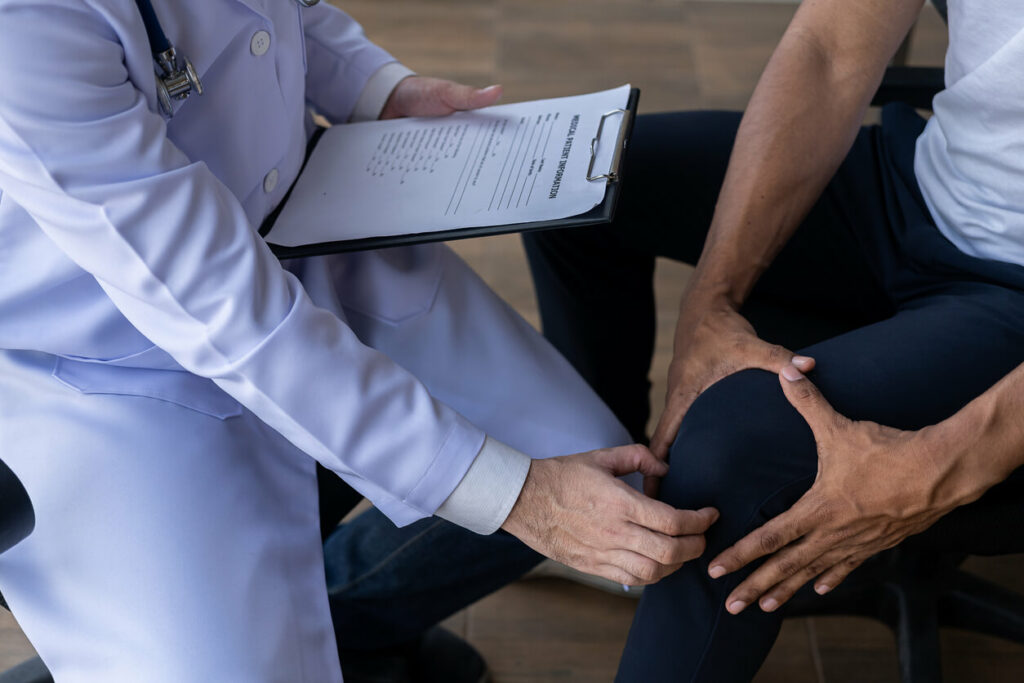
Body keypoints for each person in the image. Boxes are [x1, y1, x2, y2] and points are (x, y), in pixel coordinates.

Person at [0, 1, 718, 681]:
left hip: (304, 224)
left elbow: (282, 19)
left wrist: (380, 88)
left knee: (590, 465)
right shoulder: (23, 26)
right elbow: (226, 310)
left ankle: (350, 621)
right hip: (112, 360)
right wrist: (523, 498)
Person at [523, 0, 1024, 679]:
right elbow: (829, 47)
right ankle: (605, 510)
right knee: (576, 187)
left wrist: (943, 465)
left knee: (734, 445)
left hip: (1010, 296)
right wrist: (712, 301)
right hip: (925, 185)